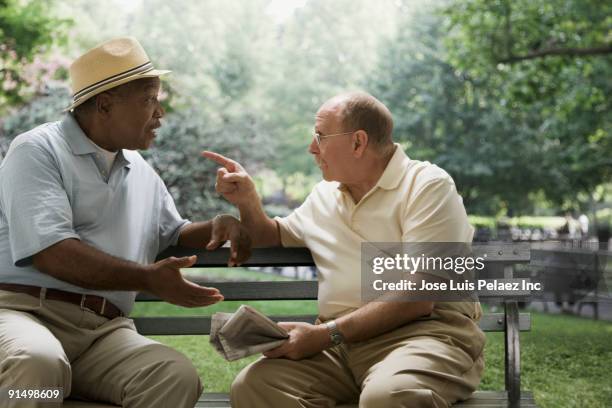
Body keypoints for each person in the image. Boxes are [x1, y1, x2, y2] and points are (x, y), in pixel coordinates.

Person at [0, 37, 251, 408]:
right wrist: (147, 277)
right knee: (37, 367)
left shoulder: (140, 170)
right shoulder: (37, 150)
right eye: (149, 99)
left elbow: (173, 231)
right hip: (26, 314)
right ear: (105, 105)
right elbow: (52, 253)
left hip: (102, 334)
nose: (160, 113)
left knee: (172, 375)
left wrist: (220, 223)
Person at [204, 91, 485, 408]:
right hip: (340, 348)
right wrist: (247, 202)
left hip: (424, 337)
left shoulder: (427, 185)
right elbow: (272, 234)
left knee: (389, 398)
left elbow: (419, 297)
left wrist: (324, 336)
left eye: (320, 137)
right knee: (255, 387)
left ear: (357, 142)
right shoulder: (324, 195)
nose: (312, 148)